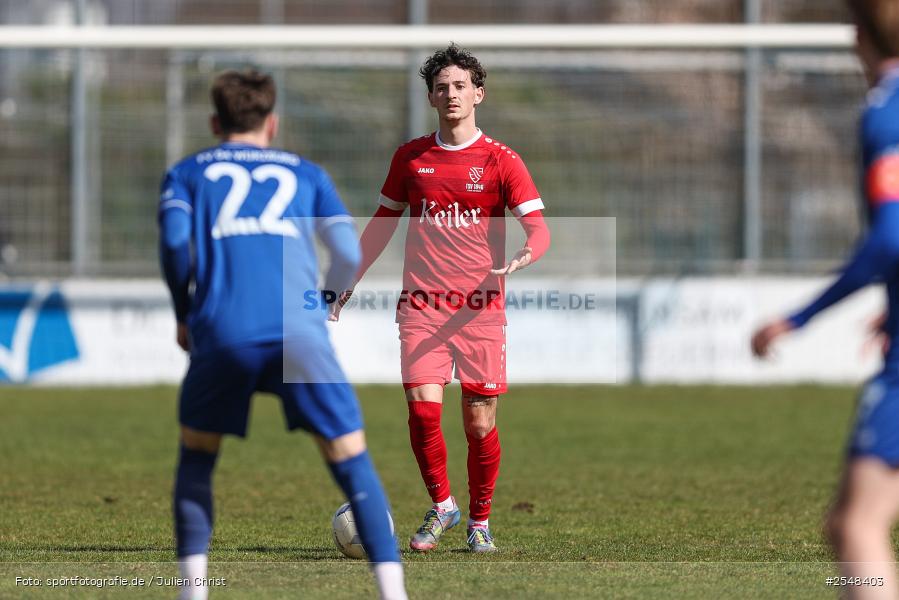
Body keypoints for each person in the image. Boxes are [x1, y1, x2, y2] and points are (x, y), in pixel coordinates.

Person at [158, 69, 406, 600]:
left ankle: (192, 592)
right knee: (350, 458)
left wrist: (184, 312)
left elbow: (177, 246)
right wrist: (326, 303)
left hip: (223, 329)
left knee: (198, 457)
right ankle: (393, 593)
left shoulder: (186, 173)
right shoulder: (306, 173)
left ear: (213, 121)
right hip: (300, 332)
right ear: (272, 123)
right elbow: (346, 252)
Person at [331, 44, 551, 553]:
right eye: (440, 87)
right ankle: (444, 505)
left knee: (478, 423)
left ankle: (480, 521)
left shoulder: (502, 160)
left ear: (479, 94)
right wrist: (347, 279)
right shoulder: (410, 157)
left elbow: (538, 229)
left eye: (459, 86)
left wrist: (525, 254)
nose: (450, 94)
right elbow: (382, 225)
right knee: (424, 412)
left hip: (480, 309)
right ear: (430, 97)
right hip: (422, 306)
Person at [752, 1, 899, 595]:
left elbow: (890, 238)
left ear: (857, 36)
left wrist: (798, 316)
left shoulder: (885, 113)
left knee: (854, 526)